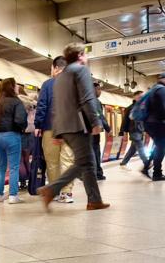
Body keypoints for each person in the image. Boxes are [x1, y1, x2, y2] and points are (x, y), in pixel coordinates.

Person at [37, 43, 110, 211]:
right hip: (77, 125)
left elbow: (57, 106)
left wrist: (56, 132)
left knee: (87, 163)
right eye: (85, 54)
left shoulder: (59, 77)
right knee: (84, 162)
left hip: (63, 126)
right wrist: (96, 122)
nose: (87, 57)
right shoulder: (80, 70)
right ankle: (51, 189)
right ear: (80, 55)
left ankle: (94, 200)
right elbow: (87, 98)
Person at [34, 56, 75, 203]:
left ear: (55, 68)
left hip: (50, 129)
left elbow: (42, 106)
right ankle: (67, 193)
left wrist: (38, 125)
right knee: (68, 161)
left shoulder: (47, 84)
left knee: (52, 162)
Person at [0, 78, 27, 204]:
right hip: (12, 136)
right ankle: (13, 195)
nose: (17, 87)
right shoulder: (16, 102)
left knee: (1, 167)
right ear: (11, 87)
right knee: (14, 167)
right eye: (16, 85)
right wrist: (22, 129)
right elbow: (20, 120)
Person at [142, 71, 165, 181]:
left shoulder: (154, 88)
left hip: (150, 123)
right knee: (162, 147)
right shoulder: (162, 90)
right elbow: (164, 107)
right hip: (157, 123)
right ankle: (157, 173)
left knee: (158, 146)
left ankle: (147, 166)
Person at [119, 91, 149, 170]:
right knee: (140, 147)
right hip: (134, 130)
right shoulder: (130, 108)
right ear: (134, 97)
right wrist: (123, 132)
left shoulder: (142, 107)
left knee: (133, 149)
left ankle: (123, 163)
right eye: (140, 97)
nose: (142, 98)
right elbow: (125, 120)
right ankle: (147, 163)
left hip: (140, 131)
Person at [92, 83, 111, 180]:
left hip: (90, 131)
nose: (100, 91)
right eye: (98, 89)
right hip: (93, 131)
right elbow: (100, 116)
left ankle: (96, 173)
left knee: (93, 151)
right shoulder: (95, 101)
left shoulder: (87, 100)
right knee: (95, 152)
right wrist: (108, 128)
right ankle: (96, 173)